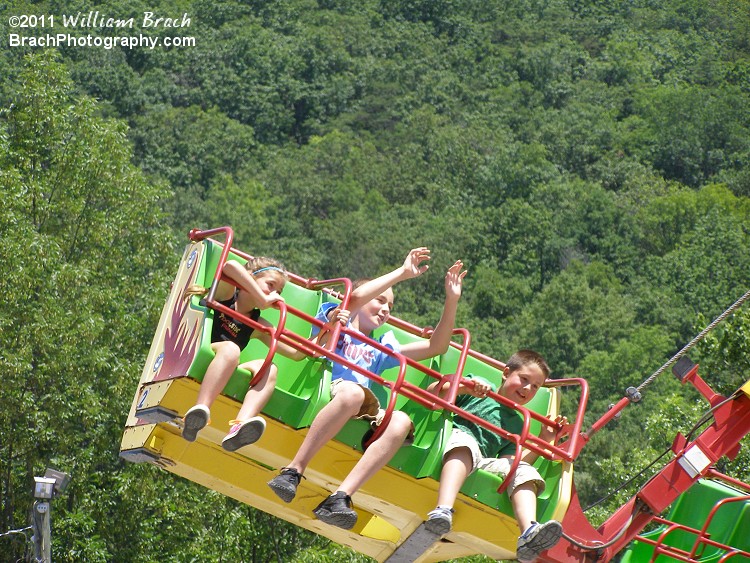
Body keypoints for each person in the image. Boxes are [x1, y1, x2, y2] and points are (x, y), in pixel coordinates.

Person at [267, 247, 467, 530]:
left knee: (400, 421)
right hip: (336, 389)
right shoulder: (338, 321)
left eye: (390, 307)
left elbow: (437, 346)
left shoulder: (382, 347)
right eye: (380, 300)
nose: (385, 309)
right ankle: (293, 471)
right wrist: (401, 273)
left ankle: (340, 497)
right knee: (353, 392)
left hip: (363, 403)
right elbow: (356, 298)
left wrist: (452, 301)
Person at [424, 349, 565, 563]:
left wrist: (543, 441)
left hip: (484, 460)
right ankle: (442, 510)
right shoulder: (478, 385)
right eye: (524, 379)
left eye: (535, 386)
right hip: (453, 439)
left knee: (525, 470)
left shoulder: (518, 422)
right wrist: (464, 387)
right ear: (506, 373)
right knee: (467, 445)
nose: (527, 388)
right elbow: (433, 392)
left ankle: (528, 532)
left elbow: (509, 463)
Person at [182, 256, 308, 451]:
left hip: (228, 363)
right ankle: (200, 411)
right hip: (208, 351)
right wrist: (262, 297)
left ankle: (239, 426)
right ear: (251, 277)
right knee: (231, 349)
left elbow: (296, 353)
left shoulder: (258, 323)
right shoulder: (225, 295)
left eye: (279, 292)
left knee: (269, 368)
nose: (275, 295)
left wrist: (328, 330)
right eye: (270, 285)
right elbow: (229, 266)